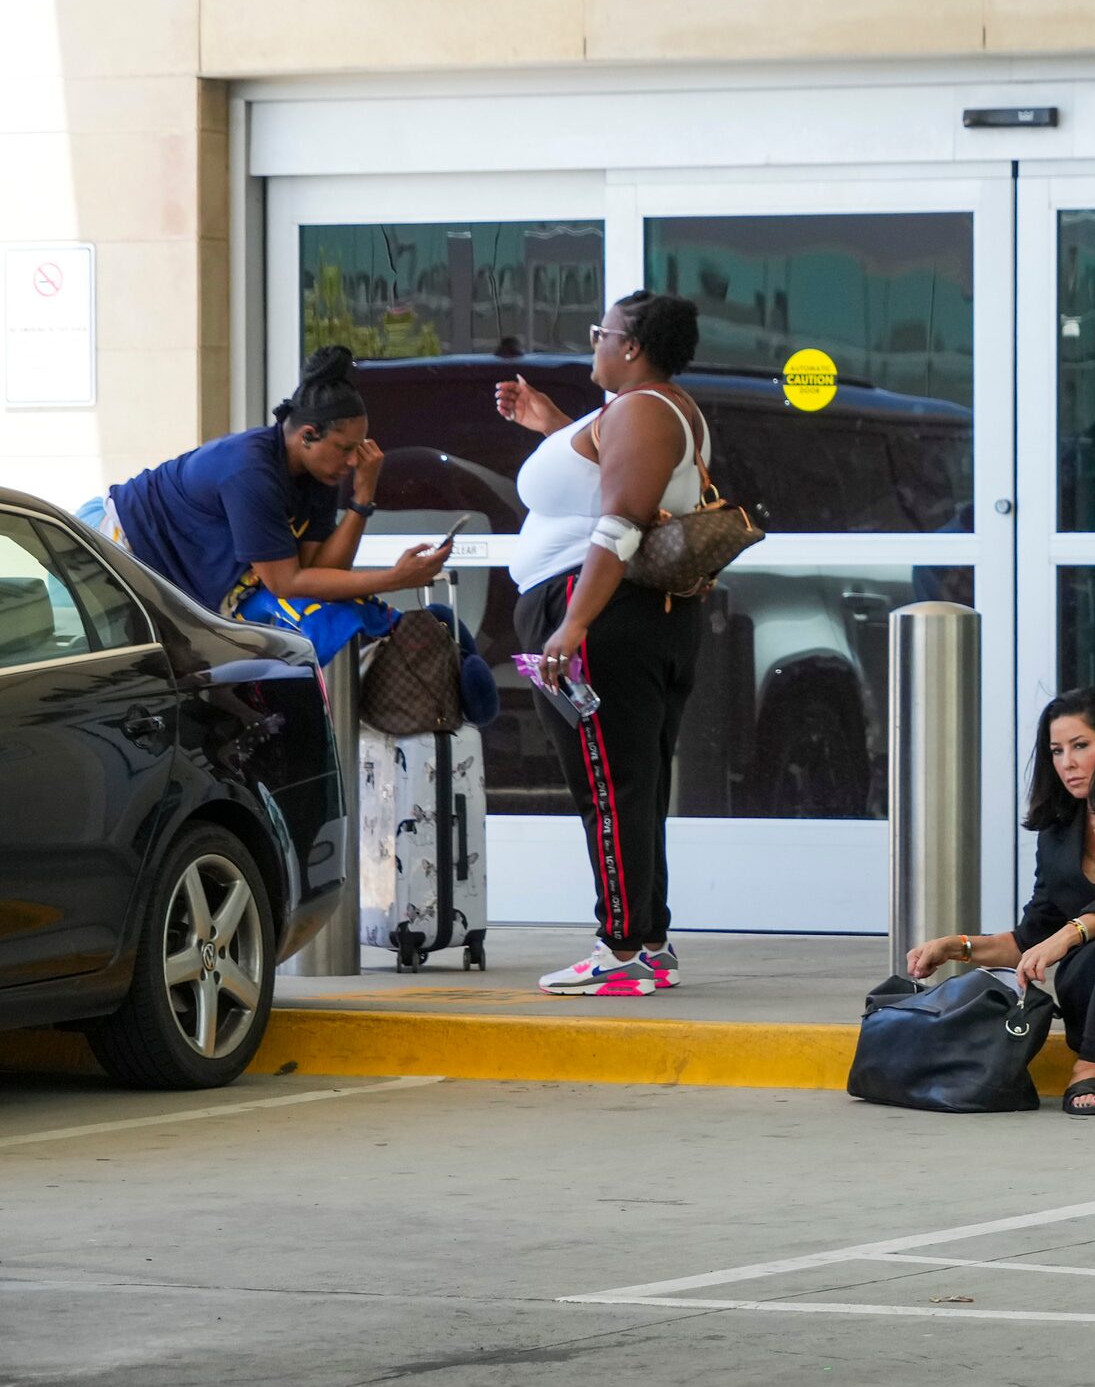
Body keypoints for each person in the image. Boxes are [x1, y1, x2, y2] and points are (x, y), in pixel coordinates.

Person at [500, 291, 716, 998]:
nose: (594, 342)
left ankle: (620, 949)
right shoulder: (644, 409)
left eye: (602, 332)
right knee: (633, 783)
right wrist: (554, 426)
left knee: (610, 786)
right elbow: (604, 477)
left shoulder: (646, 411)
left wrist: (574, 623)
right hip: (631, 617)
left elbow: (618, 524)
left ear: (631, 346)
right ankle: (648, 941)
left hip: (606, 618)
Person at [905, 688, 1095, 1114]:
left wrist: (1069, 936)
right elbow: (1033, 932)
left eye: (1081, 746)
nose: (1067, 762)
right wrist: (955, 947)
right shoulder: (1060, 825)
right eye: (1056, 750)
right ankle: (1089, 1066)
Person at [100, 345, 470, 668]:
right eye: (345, 448)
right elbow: (286, 582)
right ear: (308, 436)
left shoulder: (319, 473)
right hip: (130, 548)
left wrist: (362, 498)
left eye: (360, 447)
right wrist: (394, 579)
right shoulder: (250, 470)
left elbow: (322, 571)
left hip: (190, 570)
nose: (354, 460)